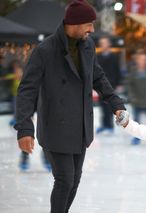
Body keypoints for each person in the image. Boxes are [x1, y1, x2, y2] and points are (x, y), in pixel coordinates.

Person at [14, 1, 127, 212]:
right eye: (89, 24)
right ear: (73, 24)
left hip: (80, 125)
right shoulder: (45, 50)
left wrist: (116, 104)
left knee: (74, 180)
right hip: (56, 126)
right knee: (65, 179)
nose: (92, 29)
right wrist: (24, 128)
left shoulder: (88, 45)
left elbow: (98, 77)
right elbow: (27, 90)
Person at [126, 50, 146, 145]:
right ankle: (137, 137)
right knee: (136, 121)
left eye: (145, 60)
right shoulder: (133, 72)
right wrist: (132, 97)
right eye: (141, 59)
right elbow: (129, 85)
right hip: (137, 101)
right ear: (137, 61)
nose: (143, 61)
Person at [96, 36, 121, 134]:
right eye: (101, 43)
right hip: (100, 84)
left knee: (109, 105)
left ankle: (109, 125)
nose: (103, 45)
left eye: (105, 43)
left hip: (111, 84)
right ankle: (103, 124)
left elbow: (117, 70)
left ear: (109, 44)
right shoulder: (97, 56)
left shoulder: (114, 56)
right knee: (102, 105)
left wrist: (119, 83)